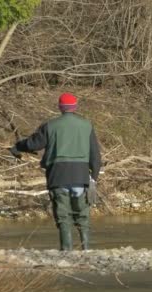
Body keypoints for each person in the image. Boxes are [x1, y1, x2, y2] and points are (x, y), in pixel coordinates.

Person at [9, 93, 101, 251]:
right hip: (80, 175)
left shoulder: (50, 125)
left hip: (57, 176)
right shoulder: (87, 125)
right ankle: (86, 249)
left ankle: (66, 250)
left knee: (63, 216)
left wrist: (17, 146)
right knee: (82, 215)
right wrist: (94, 177)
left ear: (60, 107)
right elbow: (95, 155)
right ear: (75, 107)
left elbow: (34, 144)